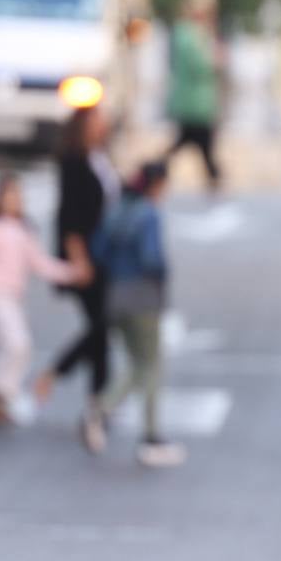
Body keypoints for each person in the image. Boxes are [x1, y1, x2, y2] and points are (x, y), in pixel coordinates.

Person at [90, 161, 184, 466]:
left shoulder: (117, 210)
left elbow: (98, 250)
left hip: (115, 294)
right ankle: (150, 435)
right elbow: (151, 257)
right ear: (157, 185)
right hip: (143, 296)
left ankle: (103, 409)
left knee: (136, 363)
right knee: (151, 364)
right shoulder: (149, 214)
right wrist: (162, 278)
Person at [0, 173, 77, 429]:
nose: (14, 200)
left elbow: (40, 263)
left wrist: (71, 272)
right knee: (17, 344)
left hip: (14, 297)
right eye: (8, 196)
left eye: (17, 195)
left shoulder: (24, 231)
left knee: (14, 347)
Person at [34, 103, 117, 421]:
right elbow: (70, 216)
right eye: (95, 120)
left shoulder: (101, 158)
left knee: (101, 330)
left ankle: (99, 398)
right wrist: (79, 259)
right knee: (101, 326)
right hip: (85, 256)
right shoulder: (73, 162)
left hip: (106, 254)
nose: (102, 125)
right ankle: (58, 373)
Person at [165, 6, 223, 191]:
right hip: (196, 103)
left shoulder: (185, 36)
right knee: (201, 143)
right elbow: (200, 67)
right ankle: (214, 177)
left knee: (190, 141)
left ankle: (213, 177)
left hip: (193, 101)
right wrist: (215, 61)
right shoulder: (190, 38)